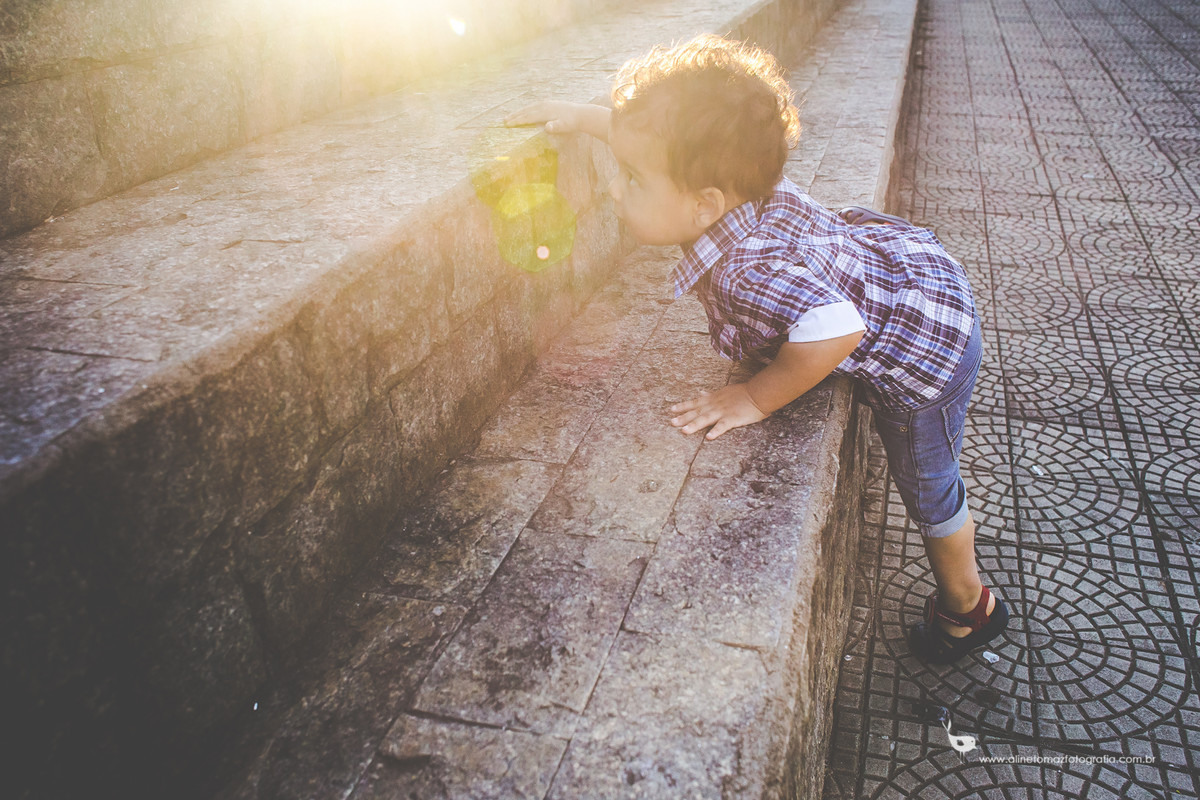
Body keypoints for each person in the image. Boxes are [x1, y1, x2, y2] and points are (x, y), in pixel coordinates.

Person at [505, 34, 1007, 664]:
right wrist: (583, 119)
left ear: (703, 205)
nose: (615, 190)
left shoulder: (746, 268)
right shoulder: (735, 182)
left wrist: (753, 396)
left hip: (930, 350)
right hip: (914, 276)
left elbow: (837, 327)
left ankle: (968, 607)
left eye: (631, 179)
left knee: (929, 480)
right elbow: (665, 146)